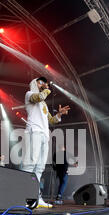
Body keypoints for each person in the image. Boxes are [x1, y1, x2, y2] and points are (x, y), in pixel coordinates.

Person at [21, 77, 70, 208]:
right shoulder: (30, 94)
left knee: (40, 168)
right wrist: (46, 89)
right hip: (34, 131)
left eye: (45, 83)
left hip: (44, 135)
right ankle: (24, 197)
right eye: (41, 82)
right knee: (30, 164)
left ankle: (36, 197)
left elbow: (51, 120)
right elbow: (39, 97)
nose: (44, 84)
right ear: (34, 83)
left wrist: (59, 114)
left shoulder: (43, 104)